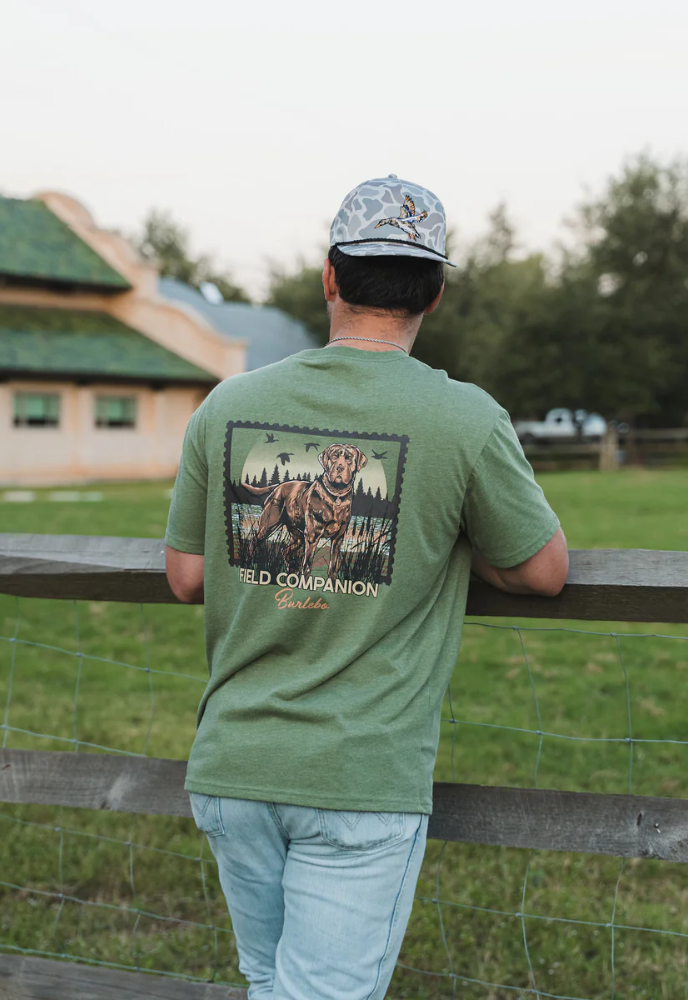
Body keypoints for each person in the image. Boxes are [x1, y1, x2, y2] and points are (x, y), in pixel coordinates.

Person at [164, 174, 568, 1000]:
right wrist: (459, 546)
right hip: (358, 775)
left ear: (329, 276)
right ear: (435, 292)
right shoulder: (464, 418)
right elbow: (542, 568)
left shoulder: (229, 405)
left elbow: (186, 575)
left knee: (268, 983)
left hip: (234, 764)